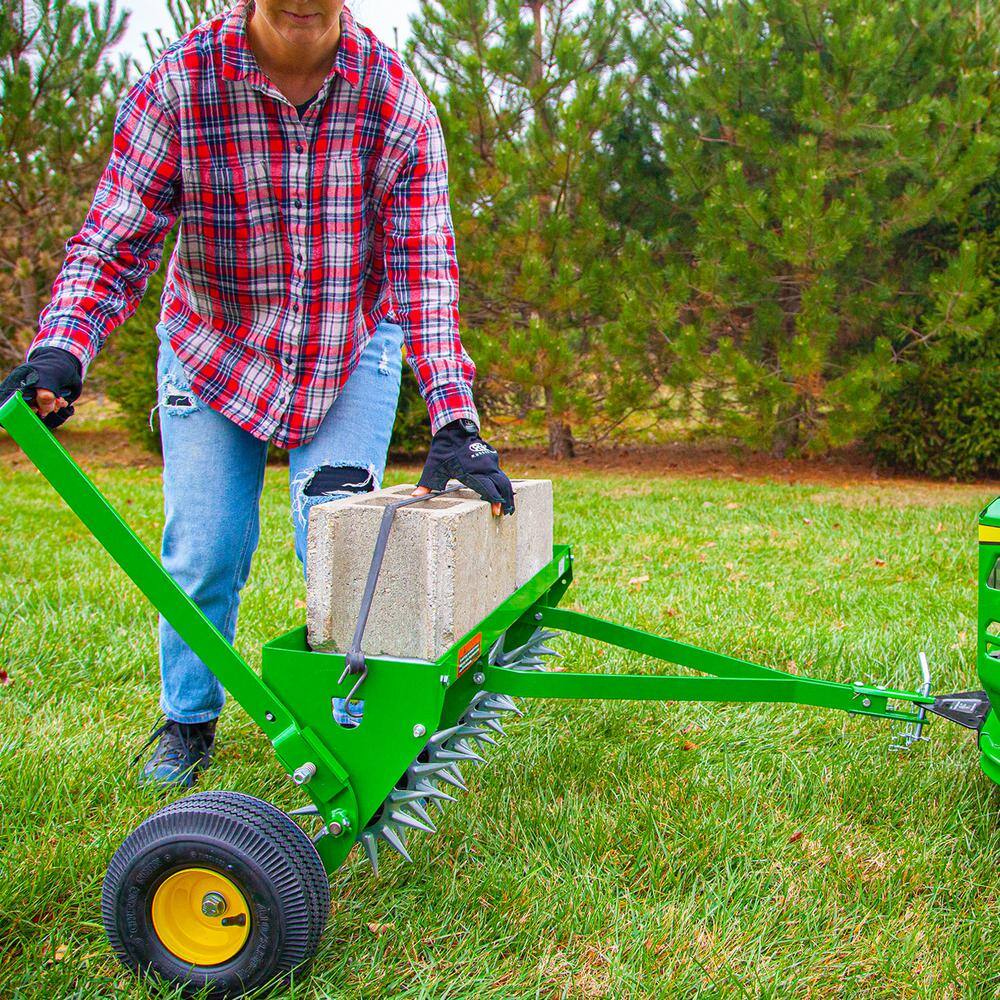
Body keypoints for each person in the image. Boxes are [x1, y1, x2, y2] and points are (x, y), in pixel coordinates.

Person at [8, 0, 515, 788]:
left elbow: (423, 269)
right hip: (212, 345)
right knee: (206, 549)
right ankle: (188, 721)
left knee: (339, 537)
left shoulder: (393, 97)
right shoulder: (181, 83)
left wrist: (454, 414)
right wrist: (62, 346)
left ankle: (353, 722)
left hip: (347, 342)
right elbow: (118, 234)